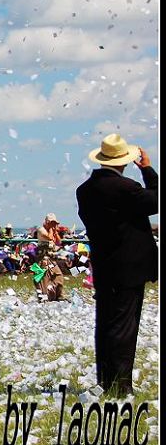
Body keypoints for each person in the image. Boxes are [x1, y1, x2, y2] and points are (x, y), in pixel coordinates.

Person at [76, 133, 158, 396]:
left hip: (104, 264)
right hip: (129, 267)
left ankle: (106, 380)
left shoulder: (85, 191)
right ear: (124, 160)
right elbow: (155, 200)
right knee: (125, 326)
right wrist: (147, 169)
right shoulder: (127, 189)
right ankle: (121, 386)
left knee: (106, 323)